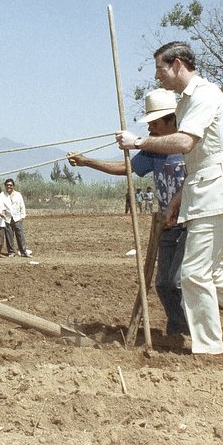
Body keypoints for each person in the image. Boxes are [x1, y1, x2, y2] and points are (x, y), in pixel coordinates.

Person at [116, 41, 223, 355]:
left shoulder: (205, 95)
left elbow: (183, 143)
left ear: (177, 63)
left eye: (160, 68)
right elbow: (195, 161)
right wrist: (176, 201)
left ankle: (210, 347)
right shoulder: (186, 102)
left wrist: (137, 141)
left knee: (193, 273)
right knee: (206, 270)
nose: (158, 76)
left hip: (214, 192)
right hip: (204, 190)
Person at [71, 88, 189, 336]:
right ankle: (179, 330)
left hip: (192, 223)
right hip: (167, 225)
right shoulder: (152, 150)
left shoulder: (190, 146)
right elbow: (125, 168)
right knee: (163, 284)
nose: (150, 130)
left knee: (185, 281)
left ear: (171, 121)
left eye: (154, 124)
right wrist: (87, 162)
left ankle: (200, 328)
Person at [1, 178, 31, 257]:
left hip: (17, 218)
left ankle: (23, 252)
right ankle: (11, 252)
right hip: (7, 218)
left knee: (20, 235)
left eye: (10, 185)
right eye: (7, 185)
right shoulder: (2, 195)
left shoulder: (18, 194)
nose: (9, 186)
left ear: (13, 186)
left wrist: (22, 216)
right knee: (9, 236)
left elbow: (22, 206)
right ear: (5, 186)